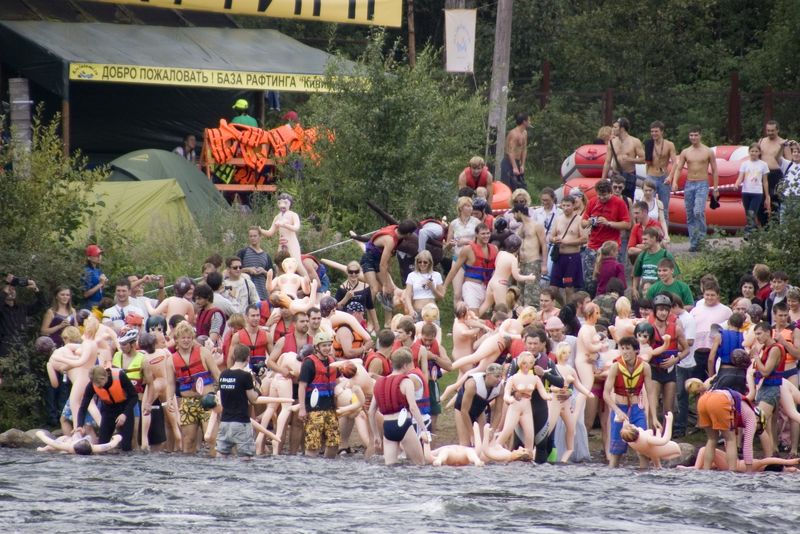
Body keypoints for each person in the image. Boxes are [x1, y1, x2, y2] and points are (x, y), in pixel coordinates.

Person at [368, 348, 431, 465]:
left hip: (387, 427)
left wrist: (376, 435)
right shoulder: (406, 382)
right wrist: (424, 430)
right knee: (420, 464)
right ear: (406, 365)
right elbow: (413, 407)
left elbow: (371, 412)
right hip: (404, 426)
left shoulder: (379, 383)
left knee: (390, 467)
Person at [603, 336, 658, 467]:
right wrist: (616, 410)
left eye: (628, 348)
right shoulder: (615, 367)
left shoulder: (645, 367)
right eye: (622, 348)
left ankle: (643, 480)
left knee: (643, 448)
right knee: (616, 451)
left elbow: (650, 392)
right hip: (619, 408)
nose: (625, 352)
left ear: (636, 351)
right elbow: (606, 393)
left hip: (636, 408)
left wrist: (654, 417)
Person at [686, 379, 757, 472]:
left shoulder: (743, 406)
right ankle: (732, 472)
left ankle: (705, 471)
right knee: (731, 439)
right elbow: (747, 445)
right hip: (719, 400)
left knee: (711, 439)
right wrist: (749, 471)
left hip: (703, 400)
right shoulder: (752, 417)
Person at [172, 321, 220, 454]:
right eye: (183, 338)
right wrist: (170, 402)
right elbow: (170, 384)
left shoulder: (204, 352)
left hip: (208, 400)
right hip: (188, 402)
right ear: (177, 340)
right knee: (188, 440)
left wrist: (222, 394)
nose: (186, 340)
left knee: (211, 438)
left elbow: (217, 374)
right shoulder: (171, 359)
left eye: (189, 337)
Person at [671, 127, 719, 252]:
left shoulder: (708, 151)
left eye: (695, 135)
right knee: (690, 214)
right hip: (689, 184)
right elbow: (679, 168)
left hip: (702, 183)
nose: (693, 137)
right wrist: (675, 181)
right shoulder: (686, 152)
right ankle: (694, 242)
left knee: (698, 211)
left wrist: (715, 187)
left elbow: (714, 170)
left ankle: (702, 240)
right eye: (691, 135)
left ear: (700, 136)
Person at [581, 179, 631, 291]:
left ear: (610, 192)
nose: (602, 198)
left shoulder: (619, 203)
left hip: (610, 247)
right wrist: (590, 221)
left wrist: (608, 223)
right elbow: (583, 223)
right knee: (590, 279)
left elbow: (627, 224)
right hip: (593, 245)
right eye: (599, 195)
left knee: (609, 278)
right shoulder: (592, 202)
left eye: (604, 196)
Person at [298, 331, 340, 458]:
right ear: (317, 347)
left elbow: (337, 382)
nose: (327, 348)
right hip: (314, 410)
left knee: (334, 443)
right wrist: (302, 408)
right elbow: (302, 386)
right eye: (324, 346)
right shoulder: (309, 363)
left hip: (330, 408)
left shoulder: (333, 362)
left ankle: (327, 468)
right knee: (313, 444)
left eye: (329, 345)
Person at [75, 365, 138, 451]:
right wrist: (80, 425)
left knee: (126, 445)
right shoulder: (92, 385)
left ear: (105, 377)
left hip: (124, 408)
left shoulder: (119, 376)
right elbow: (83, 406)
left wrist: (124, 414)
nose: (98, 386)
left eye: (99, 383)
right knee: (102, 443)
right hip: (108, 410)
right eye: (95, 384)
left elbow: (134, 396)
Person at [217, 345, 261, 458]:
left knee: (221, 455)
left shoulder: (223, 374)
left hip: (225, 422)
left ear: (233, 356)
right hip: (241, 422)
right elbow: (253, 399)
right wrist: (257, 387)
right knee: (246, 458)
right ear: (248, 358)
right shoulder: (245, 376)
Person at [359, 220, 417, 305]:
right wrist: (385, 284)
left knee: (389, 290)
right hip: (369, 259)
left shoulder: (396, 229)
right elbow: (382, 265)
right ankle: (363, 313)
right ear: (408, 234)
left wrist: (388, 277)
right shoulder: (390, 240)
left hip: (378, 260)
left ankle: (388, 314)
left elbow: (387, 259)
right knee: (374, 288)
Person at [478, 234, 537, 317]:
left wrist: (513, 271)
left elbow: (498, 265)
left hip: (493, 281)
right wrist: (529, 277)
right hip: (500, 284)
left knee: (486, 304)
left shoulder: (501, 253)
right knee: (504, 309)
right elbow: (517, 277)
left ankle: (474, 320)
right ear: (517, 248)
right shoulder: (513, 259)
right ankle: (505, 327)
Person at [443, 224, 496, 313]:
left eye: (488, 233)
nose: (486, 236)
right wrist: (445, 286)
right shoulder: (468, 249)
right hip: (471, 287)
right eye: (483, 234)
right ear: (476, 234)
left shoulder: (494, 249)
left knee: (484, 317)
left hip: (487, 287)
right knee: (473, 316)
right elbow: (455, 269)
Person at [690, 280, 731, 382]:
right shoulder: (695, 310)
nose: (709, 297)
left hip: (717, 352)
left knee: (713, 381)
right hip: (697, 353)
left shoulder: (726, 311)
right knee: (697, 383)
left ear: (718, 295)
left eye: (712, 295)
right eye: (707, 294)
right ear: (703, 294)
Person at [453, 363, 504, 446]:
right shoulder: (472, 384)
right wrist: (471, 434)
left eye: (501, 376)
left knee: (483, 442)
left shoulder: (500, 388)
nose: (499, 379)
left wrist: (492, 430)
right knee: (466, 444)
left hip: (479, 411)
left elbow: (498, 412)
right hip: (462, 410)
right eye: (497, 376)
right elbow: (464, 410)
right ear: (488, 375)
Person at [260, 194, 309, 279]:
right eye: (280, 203)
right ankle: (278, 286)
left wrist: (284, 224)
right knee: (279, 265)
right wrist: (261, 231)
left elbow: (296, 228)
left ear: (290, 203)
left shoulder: (293, 215)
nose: (282, 205)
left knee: (297, 264)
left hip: (291, 243)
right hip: (282, 244)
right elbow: (270, 232)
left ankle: (308, 282)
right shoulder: (277, 217)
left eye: (285, 202)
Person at [514, 192, 548, 307]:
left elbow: (544, 244)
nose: (513, 217)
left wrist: (544, 264)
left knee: (531, 294)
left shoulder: (536, 225)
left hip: (533, 261)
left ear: (519, 212)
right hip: (522, 263)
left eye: (514, 214)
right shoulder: (520, 228)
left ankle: (533, 318)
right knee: (520, 294)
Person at [445, 197, 481, 304]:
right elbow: (447, 245)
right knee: (457, 294)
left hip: (472, 260)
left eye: (471, 206)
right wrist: (450, 244)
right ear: (461, 208)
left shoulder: (477, 222)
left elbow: (482, 241)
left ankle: (470, 316)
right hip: (457, 259)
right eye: (468, 206)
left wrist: (467, 242)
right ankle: (458, 318)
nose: (471, 209)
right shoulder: (453, 223)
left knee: (469, 293)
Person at [550, 194, 584, 301]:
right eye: (563, 205)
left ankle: (570, 311)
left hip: (572, 258)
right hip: (559, 257)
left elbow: (584, 239)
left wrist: (567, 242)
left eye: (568, 205)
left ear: (573, 205)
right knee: (553, 289)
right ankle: (564, 306)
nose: (565, 208)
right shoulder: (558, 219)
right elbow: (551, 236)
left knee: (569, 288)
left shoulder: (579, 219)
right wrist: (554, 239)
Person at [0, 274, 45, 357]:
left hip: (22, 347)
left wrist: (36, 289)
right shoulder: (2, 308)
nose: (11, 291)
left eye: (13, 289)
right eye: (8, 289)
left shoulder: (22, 307)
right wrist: (5, 289)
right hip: (4, 348)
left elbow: (41, 304)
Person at [758, 120, 793, 224]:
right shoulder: (761, 141)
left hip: (776, 174)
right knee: (760, 200)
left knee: (775, 201)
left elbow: (789, 161)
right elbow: (756, 158)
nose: (770, 133)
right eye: (768, 130)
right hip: (762, 174)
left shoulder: (783, 143)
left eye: (772, 131)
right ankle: (764, 227)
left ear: (778, 130)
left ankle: (776, 226)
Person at [601, 117, 644, 200]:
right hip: (615, 174)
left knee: (628, 200)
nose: (613, 129)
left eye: (615, 127)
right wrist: (603, 178)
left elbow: (643, 159)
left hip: (629, 175)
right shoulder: (612, 142)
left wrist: (630, 159)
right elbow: (607, 162)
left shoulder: (635, 141)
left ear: (622, 128)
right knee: (613, 199)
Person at [734, 143, 771, 235]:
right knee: (748, 213)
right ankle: (754, 231)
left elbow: (765, 181)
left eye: (756, 151)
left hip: (757, 193)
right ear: (749, 152)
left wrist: (767, 196)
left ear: (759, 153)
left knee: (751, 212)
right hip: (746, 192)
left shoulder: (763, 164)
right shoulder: (744, 164)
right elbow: (740, 177)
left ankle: (748, 232)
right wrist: (736, 184)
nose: (754, 153)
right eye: (752, 151)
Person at [644, 121, 677, 218]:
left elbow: (675, 162)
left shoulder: (669, 144)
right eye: (652, 131)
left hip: (664, 178)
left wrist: (670, 177)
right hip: (651, 175)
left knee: (664, 207)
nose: (654, 134)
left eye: (656, 131)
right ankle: (648, 230)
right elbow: (646, 161)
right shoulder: (649, 144)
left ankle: (664, 231)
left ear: (662, 132)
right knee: (648, 205)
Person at [335, 261, 379, 332]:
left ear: (359, 272)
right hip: (346, 322)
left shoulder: (365, 287)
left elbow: (370, 307)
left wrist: (376, 325)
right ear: (347, 272)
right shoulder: (342, 288)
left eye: (356, 272)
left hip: (361, 322)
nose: (353, 274)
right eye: (351, 272)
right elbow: (336, 308)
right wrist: (346, 298)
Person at [403, 251, 444, 320]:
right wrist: (411, 310)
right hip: (417, 310)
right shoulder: (412, 275)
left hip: (432, 311)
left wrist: (432, 288)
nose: (422, 264)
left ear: (430, 263)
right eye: (420, 262)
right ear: (417, 262)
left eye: (425, 262)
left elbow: (441, 296)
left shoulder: (436, 275)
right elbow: (407, 295)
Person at [237, 226, 274, 301]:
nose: (253, 238)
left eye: (255, 236)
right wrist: (247, 270)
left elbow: (272, 277)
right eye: (250, 236)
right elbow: (233, 271)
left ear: (260, 237)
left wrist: (263, 271)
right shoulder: (243, 252)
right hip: (246, 293)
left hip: (262, 293)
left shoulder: (266, 256)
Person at [627, 200, 663, 265]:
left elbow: (660, 246)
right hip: (640, 261)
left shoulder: (655, 225)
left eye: (637, 213)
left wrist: (639, 246)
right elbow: (630, 250)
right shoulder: (636, 227)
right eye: (634, 213)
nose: (634, 216)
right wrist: (647, 249)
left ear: (645, 212)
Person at [501, 112, 529, 191]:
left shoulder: (524, 133)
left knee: (520, 186)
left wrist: (522, 165)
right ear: (524, 122)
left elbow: (524, 149)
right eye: (528, 120)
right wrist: (514, 167)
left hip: (517, 161)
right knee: (508, 187)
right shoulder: (514, 134)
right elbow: (510, 151)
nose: (529, 122)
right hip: (508, 162)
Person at [81, 244, 107, 310]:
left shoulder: (98, 271)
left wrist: (104, 283)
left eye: (100, 255)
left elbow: (101, 288)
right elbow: (85, 294)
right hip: (90, 304)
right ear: (89, 257)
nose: (99, 257)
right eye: (96, 255)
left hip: (99, 302)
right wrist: (100, 284)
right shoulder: (87, 272)